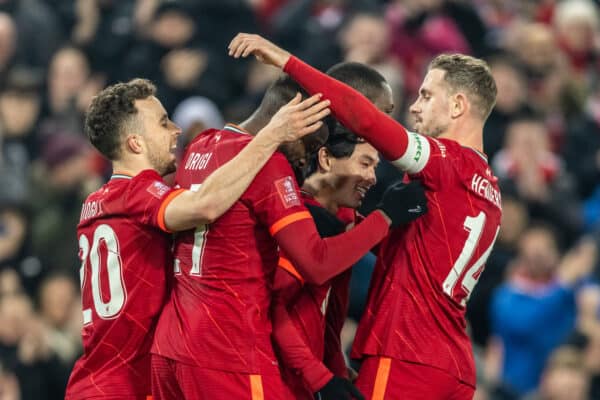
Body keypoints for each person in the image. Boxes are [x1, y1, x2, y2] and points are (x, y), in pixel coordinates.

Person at [229, 34, 502, 399]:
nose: (415, 108)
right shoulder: (490, 188)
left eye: (425, 95)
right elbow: (415, 252)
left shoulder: (446, 161)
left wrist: (285, 59)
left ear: (457, 106)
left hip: (406, 351)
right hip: (454, 365)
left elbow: (365, 119)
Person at [150, 76, 423, 400]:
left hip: (171, 345)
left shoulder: (202, 144)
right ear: (294, 117)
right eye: (310, 143)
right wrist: (385, 217)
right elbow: (316, 262)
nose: (305, 159)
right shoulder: (269, 163)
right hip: (227, 349)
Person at [65, 78, 332, 399]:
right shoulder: (137, 193)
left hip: (97, 380)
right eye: (163, 122)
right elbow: (205, 204)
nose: (176, 130)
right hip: (125, 385)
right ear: (135, 143)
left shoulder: (98, 201)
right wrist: (270, 136)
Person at [272, 62, 426, 400]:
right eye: (365, 163)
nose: (372, 177)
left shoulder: (339, 223)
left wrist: (336, 374)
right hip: (276, 383)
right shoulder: (297, 220)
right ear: (325, 159)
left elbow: (329, 322)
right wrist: (321, 379)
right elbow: (270, 311)